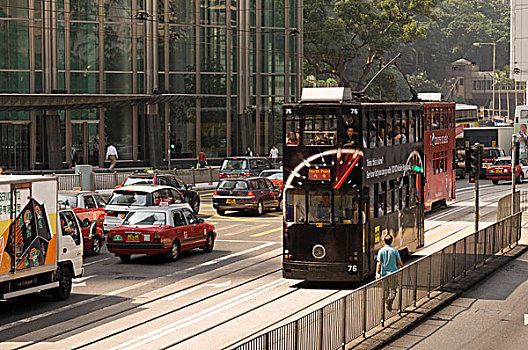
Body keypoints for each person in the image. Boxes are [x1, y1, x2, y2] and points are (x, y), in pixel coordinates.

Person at [376, 234, 404, 311]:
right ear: (392, 241)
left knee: (385, 290)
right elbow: (399, 262)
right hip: (393, 273)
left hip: (384, 274)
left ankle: (386, 301)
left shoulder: (381, 251)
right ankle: (390, 300)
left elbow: (379, 263)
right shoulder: (394, 251)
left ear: (384, 241)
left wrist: (377, 273)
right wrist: (403, 267)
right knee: (393, 290)